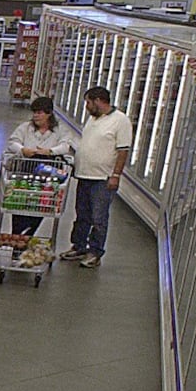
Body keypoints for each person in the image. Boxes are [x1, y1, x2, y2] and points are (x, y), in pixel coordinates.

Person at [61, 85, 132, 269]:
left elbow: (123, 150)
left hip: (102, 178)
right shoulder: (93, 119)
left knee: (98, 218)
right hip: (84, 174)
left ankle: (95, 252)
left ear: (98, 101)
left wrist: (115, 175)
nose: (86, 106)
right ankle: (78, 246)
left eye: (88, 102)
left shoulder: (120, 121)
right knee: (81, 214)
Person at [2, 97, 74, 237]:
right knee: (20, 203)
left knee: (42, 205)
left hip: (48, 174)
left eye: (40, 112)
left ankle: (28, 235)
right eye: (34, 112)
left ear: (49, 114)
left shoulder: (60, 130)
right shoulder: (25, 128)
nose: (36, 115)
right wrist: (22, 150)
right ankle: (17, 235)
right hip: (24, 171)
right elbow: (12, 142)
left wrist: (50, 151)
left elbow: (65, 146)